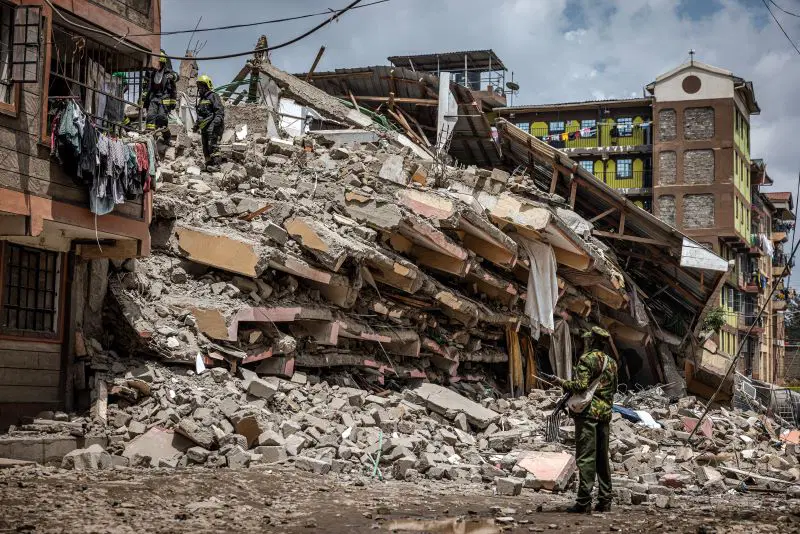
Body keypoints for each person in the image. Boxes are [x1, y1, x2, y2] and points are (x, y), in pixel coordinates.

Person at [548, 326, 618, 514]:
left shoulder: (587, 359)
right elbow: (614, 389)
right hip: (604, 415)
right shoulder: (611, 363)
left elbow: (580, 386)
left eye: (588, 340)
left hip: (587, 415)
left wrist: (560, 382)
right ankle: (605, 500)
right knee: (602, 459)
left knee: (586, 458)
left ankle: (583, 502)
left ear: (592, 341)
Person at [143, 50, 178, 144]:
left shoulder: (168, 72)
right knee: (150, 116)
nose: (156, 65)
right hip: (154, 97)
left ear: (162, 62)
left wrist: (173, 102)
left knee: (162, 118)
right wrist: (145, 99)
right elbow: (148, 87)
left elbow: (176, 79)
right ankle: (150, 139)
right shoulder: (152, 73)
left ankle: (167, 137)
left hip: (164, 98)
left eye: (158, 63)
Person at [193, 74, 225, 169]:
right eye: (199, 87)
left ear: (207, 86)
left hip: (213, 125)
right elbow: (200, 116)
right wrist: (196, 125)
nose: (200, 89)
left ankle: (216, 164)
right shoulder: (201, 100)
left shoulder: (213, 96)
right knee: (205, 146)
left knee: (213, 145)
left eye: (202, 86)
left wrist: (216, 123)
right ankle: (209, 163)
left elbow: (219, 111)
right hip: (204, 127)